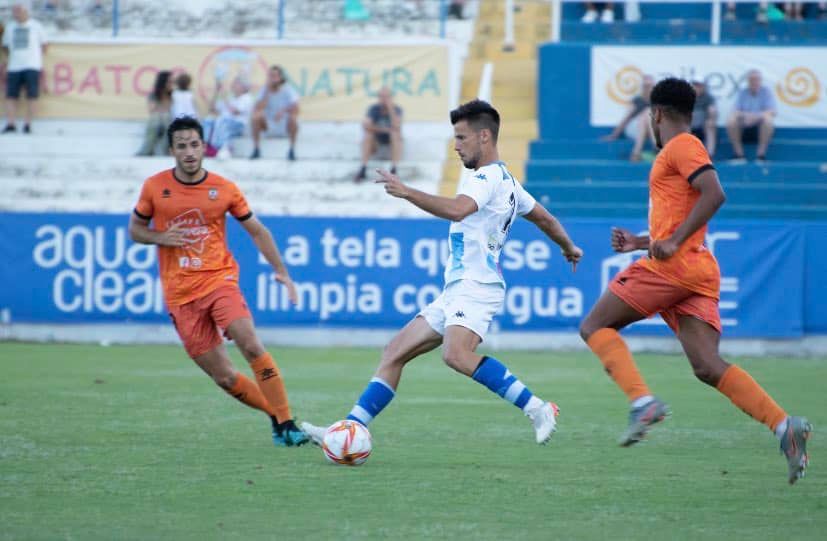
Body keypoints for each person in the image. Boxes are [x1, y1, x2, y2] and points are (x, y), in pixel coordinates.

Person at [301, 100, 583, 446]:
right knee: (394, 353)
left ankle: (538, 408)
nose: (456, 145)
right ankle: (346, 431)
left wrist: (407, 192)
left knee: (456, 355)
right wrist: (568, 246)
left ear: (484, 137)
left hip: (476, 286)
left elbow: (457, 210)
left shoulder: (485, 178)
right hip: (457, 289)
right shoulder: (507, 181)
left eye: (462, 137)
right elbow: (545, 218)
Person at [579, 78, 811, 485]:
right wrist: (641, 242)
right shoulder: (679, 150)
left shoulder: (682, 145)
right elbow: (677, 218)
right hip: (694, 271)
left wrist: (672, 241)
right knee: (706, 366)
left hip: (675, 269)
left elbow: (714, 193)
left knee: (594, 326)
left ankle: (642, 402)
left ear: (655, 114)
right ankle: (783, 426)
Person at [128, 116, 308, 447]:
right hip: (180, 294)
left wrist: (282, 271)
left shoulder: (224, 189)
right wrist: (160, 236)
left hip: (218, 280)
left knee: (250, 344)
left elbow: (257, 230)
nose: (189, 152)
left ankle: (287, 422)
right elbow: (135, 230)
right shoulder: (155, 187)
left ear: (203, 147)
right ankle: (275, 416)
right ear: (172, 150)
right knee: (224, 377)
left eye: (194, 144)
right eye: (181, 146)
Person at [2, 2, 47, 134]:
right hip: (14, 66)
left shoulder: (36, 26)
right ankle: (11, 124)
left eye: (19, 11)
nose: (16, 14)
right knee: (11, 95)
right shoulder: (10, 27)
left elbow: (44, 45)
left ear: (26, 12)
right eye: (14, 12)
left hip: (32, 65)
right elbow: (5, 46)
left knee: (32, 95)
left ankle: (28, 124)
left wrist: (34, 56)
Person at [249, 65, 299, 161]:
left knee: (293, 118)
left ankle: (292, 149)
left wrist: (283, 111)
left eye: (274, 76)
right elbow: (257, 108)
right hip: (268, 125)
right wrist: (267, 92)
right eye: (270, 76)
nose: (272, 79)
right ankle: (256, 149)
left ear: (280, 78)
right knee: (256, 117)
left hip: (284, 125)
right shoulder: (264, 90)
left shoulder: (287, 89)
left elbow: (296, 107)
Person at [601, 74, 655, 162]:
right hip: (635, 130)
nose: (648, 88)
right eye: (645, 86)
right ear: (642, 87)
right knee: (645, 115)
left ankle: (636, 153)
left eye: (650, 86)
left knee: (648, 113)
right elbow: (626, 118)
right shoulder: (636, 101)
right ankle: (653, 148)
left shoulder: (658, 101)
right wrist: (614, 135)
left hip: (652, 130)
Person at [725, 69, 776, 162]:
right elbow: (735, 111)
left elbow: (772, 111)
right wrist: (747, 116)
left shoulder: (766, 92)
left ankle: (761, 155)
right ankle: (739, 155)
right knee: (731, 120)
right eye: (752, 80)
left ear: (760, 81)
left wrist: (755, 117)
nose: (754, 82)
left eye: (756, 79)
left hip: (760, 125)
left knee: (768, 120)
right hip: (744, 125)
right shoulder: (742, 92)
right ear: (748, 81)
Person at [354, 87, 403, 182]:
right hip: (376, 141)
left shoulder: (397, 109)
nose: (384, 99)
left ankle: (394, 168)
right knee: (368, 135)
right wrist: (385, 130)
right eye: (381, 96)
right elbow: (366, 126)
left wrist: (390, 108)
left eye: (386, 97)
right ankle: (363, 168)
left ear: (391, 98)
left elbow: (396, 126)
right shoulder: (374, 109)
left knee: (395, 135)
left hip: (391, 140)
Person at [203, 75, 254, 159]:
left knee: (222, 121)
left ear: (244, 87)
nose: (233, 85)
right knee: (208, 120)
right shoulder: (231, 98)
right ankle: (205, 146)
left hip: (239, 125)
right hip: (225, 123)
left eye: (236, 83)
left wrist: (223, 94)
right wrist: (216, 92)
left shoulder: (247, 98)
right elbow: (212, 109)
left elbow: (235, 111)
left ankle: (220, 148)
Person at [135, 70, 172, 156]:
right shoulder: (154, 94)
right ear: (163, 82)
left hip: (168, 122)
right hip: (157, 121)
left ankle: (159, 151)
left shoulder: (173, 95)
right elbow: (152, 109)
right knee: (156, 119)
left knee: (165, 118)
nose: (171, 84)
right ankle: (147, 150)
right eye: (169, 82)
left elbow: (169, 109)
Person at [690, 80, 717, 158]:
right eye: (695, 85)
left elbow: (712, 111)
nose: (697, 88)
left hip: (702, 125)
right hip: (688, 124)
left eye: (699, 85)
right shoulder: (685, 97)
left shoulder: (708, 98)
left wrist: (711, 116)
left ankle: (710, 155)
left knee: (710, 125)